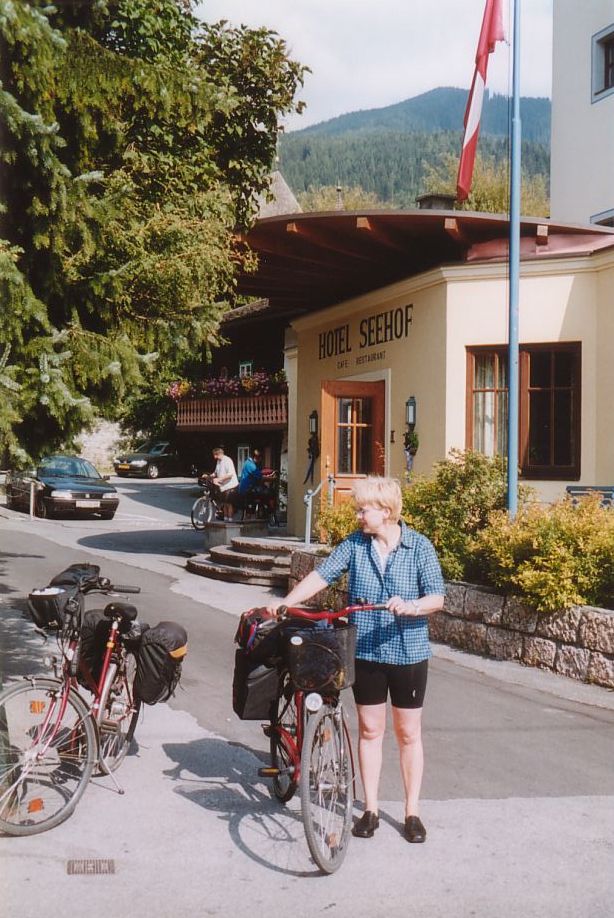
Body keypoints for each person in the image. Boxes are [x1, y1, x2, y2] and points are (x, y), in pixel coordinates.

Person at [268, 476, 444, 844]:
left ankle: (412, 812)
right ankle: (371, 809)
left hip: (408, 652)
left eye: (364, 509)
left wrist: (412, 606)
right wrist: (288, 602)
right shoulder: (355, 545)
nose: (359, 515)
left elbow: (437, 597)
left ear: (385, 511)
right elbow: (321, 575)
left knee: (408, 733)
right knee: (370, 731)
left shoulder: (419, 547)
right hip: (364, 651)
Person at [210, 446, 238, 522]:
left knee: (229, 503)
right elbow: (216, 472)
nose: (215, 457)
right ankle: (225, 519)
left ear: (220, 454)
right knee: (224, 503)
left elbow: (230, 474)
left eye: (216, 455)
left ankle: (230, 520)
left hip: (230, 485)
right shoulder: (218, 461)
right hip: (223, 486)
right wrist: (210, 476)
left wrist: (219, 479)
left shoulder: (228, 460)